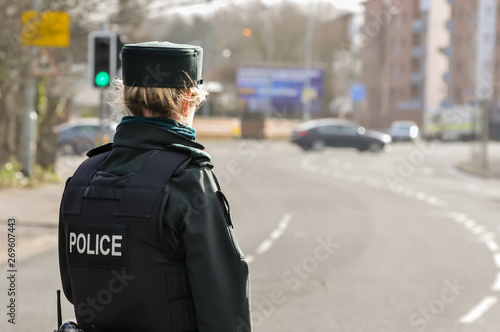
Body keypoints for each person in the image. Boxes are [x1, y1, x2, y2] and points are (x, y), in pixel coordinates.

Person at [58, 41, 252, 332]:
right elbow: (223, 310)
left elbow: (74, 290)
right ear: (188, 100)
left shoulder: (83, 178)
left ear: (126, 96)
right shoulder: (188, 179)